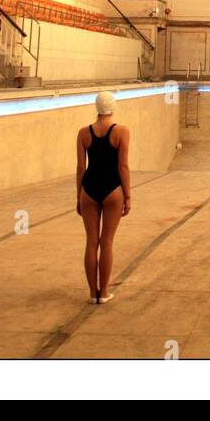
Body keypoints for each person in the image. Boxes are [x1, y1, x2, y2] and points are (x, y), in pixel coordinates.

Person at [76, 91, 131, 304]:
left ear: (96, 107)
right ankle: (104, 292)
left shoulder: (84, 133)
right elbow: (123, 166)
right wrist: (127, 195)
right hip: (113, 190)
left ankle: (92, 293)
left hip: (88, 189)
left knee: (91, 242)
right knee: (106, 242)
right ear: (113, 107)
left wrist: (78, 195)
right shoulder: (122, 132)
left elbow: (81, 167)